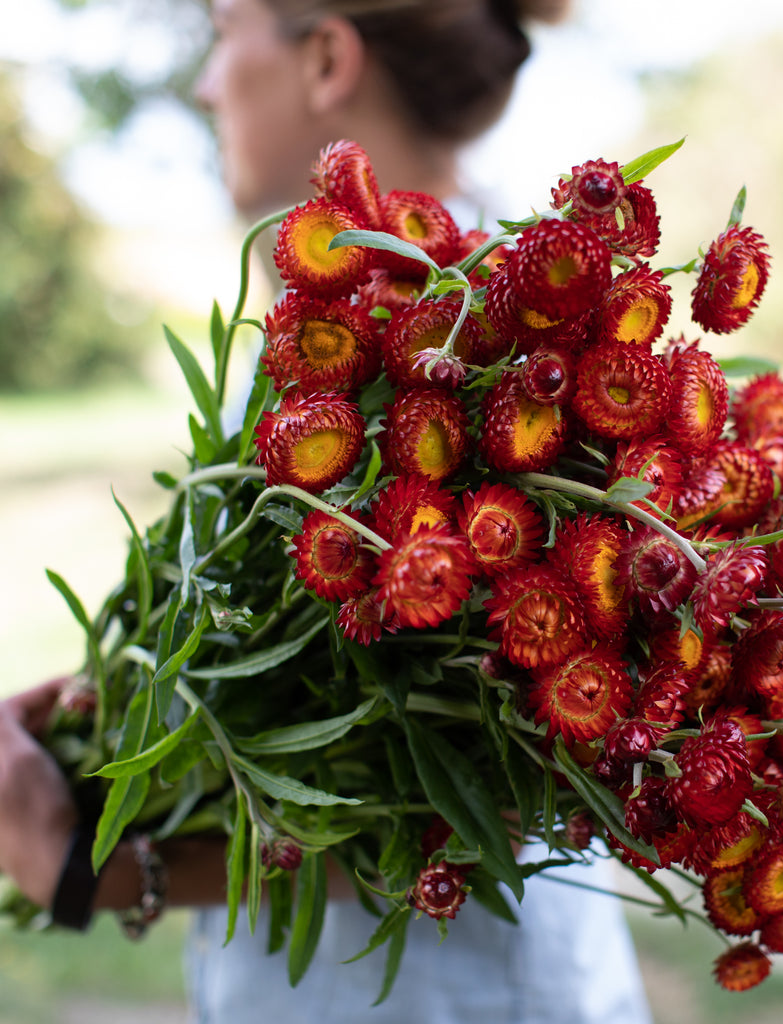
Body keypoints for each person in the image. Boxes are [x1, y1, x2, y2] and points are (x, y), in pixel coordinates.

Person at [0, 2, 655, 1022]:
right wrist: (110, 716)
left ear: (325, 58)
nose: (206, 83)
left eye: (224, 34)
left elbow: (457, 801)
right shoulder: (348, 344)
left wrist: (102, 868)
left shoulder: (509, 373)